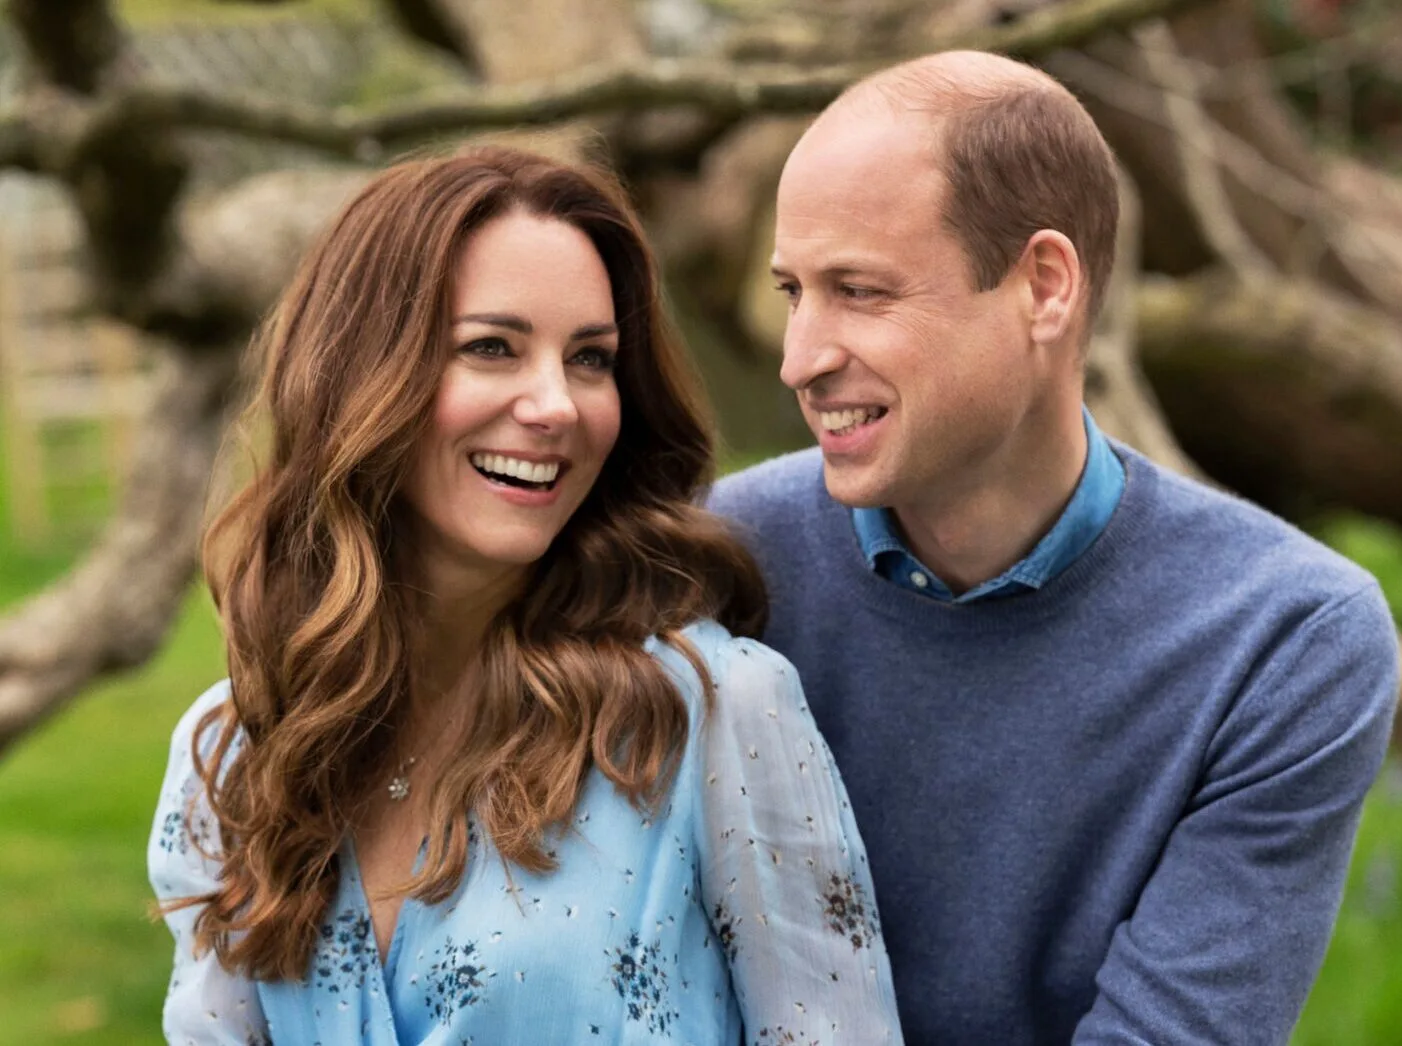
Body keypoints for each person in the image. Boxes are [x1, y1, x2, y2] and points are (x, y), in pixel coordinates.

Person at [709, 50, 1399, 1045]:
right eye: (792, 291)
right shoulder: (718, 562)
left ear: (1043, 286)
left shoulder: (1282, 639)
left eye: (859, 291)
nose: (799, 358)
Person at [148, 144, 902, 1045]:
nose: (556, 405)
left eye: (590, 359)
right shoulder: (234, 753)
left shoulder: (713, 711)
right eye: (492, 348)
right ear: (358, 376)